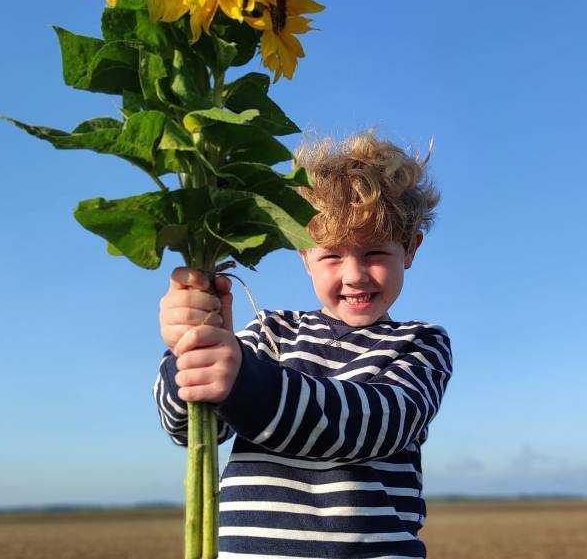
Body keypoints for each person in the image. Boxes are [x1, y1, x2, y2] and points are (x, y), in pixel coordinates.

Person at [153, 129, 453, 558]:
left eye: (374, 254)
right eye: (332, 255)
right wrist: (188, 349)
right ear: (303, 255)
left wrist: (243, 382)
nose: (354, 275)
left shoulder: (420, 344)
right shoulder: (270, 332)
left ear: (409, 248)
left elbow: (371, 425)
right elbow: (192, 429)